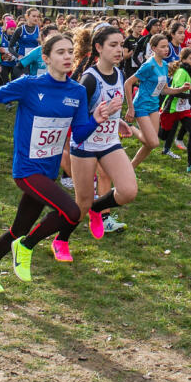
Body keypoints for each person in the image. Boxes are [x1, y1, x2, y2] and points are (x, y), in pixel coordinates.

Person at [0, 32, 117, 293]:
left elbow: (79, 134)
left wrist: (97, 119)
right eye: (60, 52)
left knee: (18, 228)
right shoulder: (29, 84)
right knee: (71, 212)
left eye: (70, 51)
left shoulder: (78, 91)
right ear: (46, 58)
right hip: (26, 170)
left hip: (48, 172)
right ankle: (26, 247)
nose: (67, 56)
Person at [67, 25, 137, 256]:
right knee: (80, 205)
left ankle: (97, 210)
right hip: (85, 146)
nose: (120, 50)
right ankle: (60, 239)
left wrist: (117, 121)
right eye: (113, 45)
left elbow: (109, 108)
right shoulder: (89, 80)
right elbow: (76, 127)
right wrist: (101, 118)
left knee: (128, 192)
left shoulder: (119, 73)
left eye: (121, 45)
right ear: (98, 48)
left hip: (109, 143)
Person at [124, 33, 185, 168]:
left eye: (167, 47)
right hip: (141, 105)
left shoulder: (164, 65)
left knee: (149, 144)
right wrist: (130, 108)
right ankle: (130, 127)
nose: (166, 50)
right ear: (153, 48)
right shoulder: (148, 66)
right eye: (162, 47)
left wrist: (180, 89)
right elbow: (128, 83)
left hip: (154, 106)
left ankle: (130, 167)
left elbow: (165, 90)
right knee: (154, 143)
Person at [160, 47, 191, 171]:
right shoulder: (181, 72)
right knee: (162, 135)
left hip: (184, 109)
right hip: (172, 108)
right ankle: (147, 125)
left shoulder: (189, 71)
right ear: (184, 60)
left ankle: (190, 165)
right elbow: (176, 93)